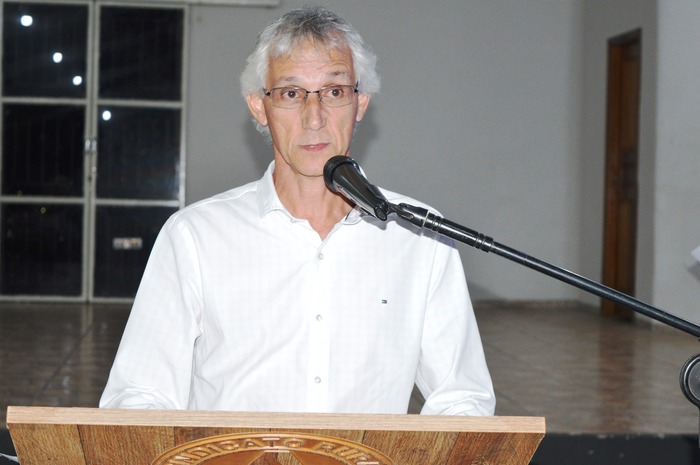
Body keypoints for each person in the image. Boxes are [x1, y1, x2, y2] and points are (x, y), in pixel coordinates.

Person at [99, 6, 495, 416]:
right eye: (291, 94)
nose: (315, 117)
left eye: (335, 91)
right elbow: (138, 397)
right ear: (258, 107)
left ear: (360, 104)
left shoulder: (420, 236)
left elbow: (462, 399)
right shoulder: (195, 236)